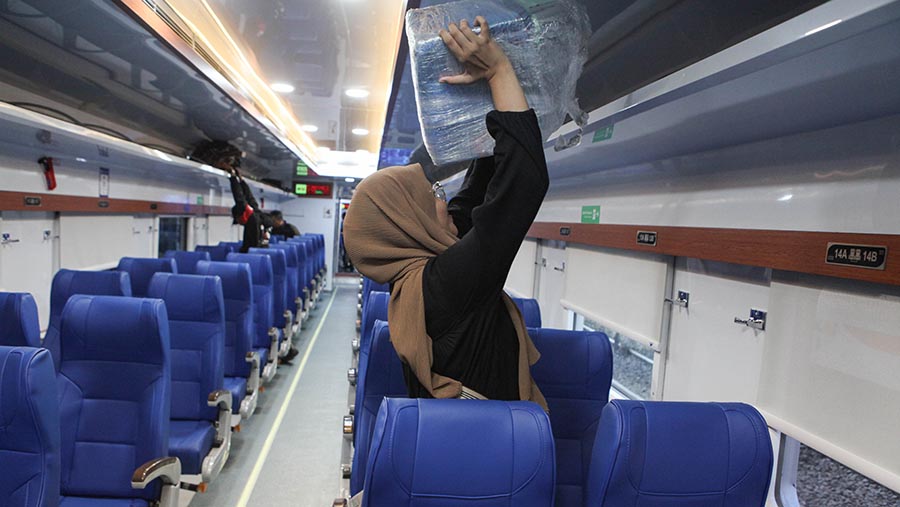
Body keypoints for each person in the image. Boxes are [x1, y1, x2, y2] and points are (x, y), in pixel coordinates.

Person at [343, 17, 548, 409]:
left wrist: (481, 107)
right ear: (411, 222)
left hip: (483, 434)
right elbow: (521, 187)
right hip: (493, 441)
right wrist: (498, 70)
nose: (444, 200)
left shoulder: (421, 280)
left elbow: (472, 201)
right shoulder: (443, 287)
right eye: (433, 194)